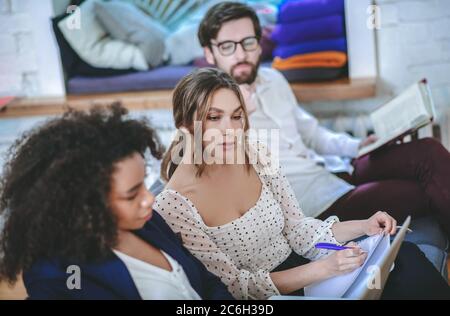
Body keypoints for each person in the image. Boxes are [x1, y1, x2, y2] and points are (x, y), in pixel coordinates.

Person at [155, 67, 450, 300]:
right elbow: (233, 287)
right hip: (276, 293)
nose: (230, 130)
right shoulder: (173, 204)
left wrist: (363, 226)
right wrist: (321, 269)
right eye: (213, 117)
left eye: (236, 116)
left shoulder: (256, 153)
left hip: (308, 267)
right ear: (184, 125)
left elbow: (297, 229)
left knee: (405, 257)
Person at [196, 1, 450, 235]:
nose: (240, 54)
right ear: (210, 53)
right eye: (227, 46)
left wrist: (357, 147)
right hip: (318, 205)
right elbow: (209, 173)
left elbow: (312, 133)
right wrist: (238, 111)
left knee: (427, 151)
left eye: (248, 42)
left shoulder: (273, 79)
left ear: (259, 43)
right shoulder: (210, 110)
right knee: (422, 191)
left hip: (333, 169)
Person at [0, 104, 233, 300]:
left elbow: (207, 282)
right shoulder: (60, 275)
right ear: (84, 204)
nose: (149, 198)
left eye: (144, 183)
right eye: (132, 194)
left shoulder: (149, 223)